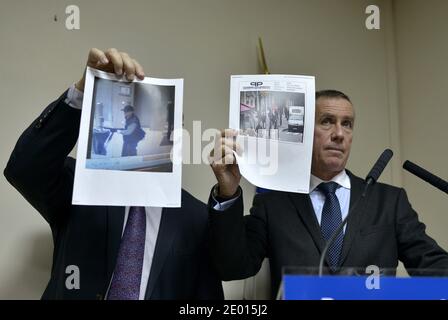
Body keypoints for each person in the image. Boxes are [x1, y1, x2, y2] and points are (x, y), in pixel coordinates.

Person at [4, 48, 223, 300]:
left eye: (171, 129)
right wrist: (82, 92)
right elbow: (25, 169)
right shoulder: (84, 185)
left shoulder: (197, 218)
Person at [207, 89, 448, 299]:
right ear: (304, 133)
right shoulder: (273, 203)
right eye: (327, 121)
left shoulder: (389, 201)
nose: (339, 133)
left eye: (347, 124)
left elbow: (435, 266)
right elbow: (233, 268)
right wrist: (227, 192)